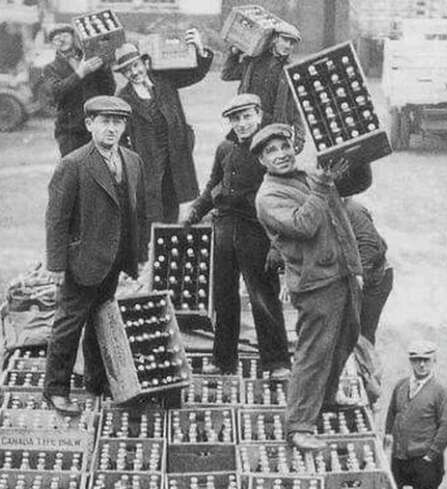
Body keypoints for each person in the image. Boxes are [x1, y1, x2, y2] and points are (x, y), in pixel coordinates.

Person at [253, 123, 362, 452]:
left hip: (339, 272)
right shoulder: (268, 196)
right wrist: (322, 185)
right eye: (270, 151)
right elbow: (304, 225)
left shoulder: (306, 175)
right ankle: (299, 425)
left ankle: (325, 400)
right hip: (314, 283)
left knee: (345, 338)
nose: (280, 154)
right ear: (261, 161)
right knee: (313, 353)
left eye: (283, 146)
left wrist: (354, 266)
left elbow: (340, 216)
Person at [43, 96, 147, 415]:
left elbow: (136, 212)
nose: (111, 128)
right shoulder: (73, 164)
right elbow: (56, 218)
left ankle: (96, 380)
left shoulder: (131, 160)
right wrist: (57, 265)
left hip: (115, 259)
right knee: (69, 324)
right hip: (82, 261)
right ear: (89, 125)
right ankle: (55, 389)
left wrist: (137, 255)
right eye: (104, 121)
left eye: (117, 122)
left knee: (101, 319)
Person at [184, 94, 290, 378]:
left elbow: (282, 201)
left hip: (256, 232)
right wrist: (196, 211)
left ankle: (277, 362)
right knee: (223, 299)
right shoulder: (224, 148)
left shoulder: (271, 151)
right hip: (224, 230)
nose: (242, 124)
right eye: (236, 119)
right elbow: (213, 186)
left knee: (263, 297)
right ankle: (223, 360)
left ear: (259, 115)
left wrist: (277, 245)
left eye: (247, 117)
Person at [114, 33, 213, 229]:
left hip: (174, 156)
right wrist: (131, 159)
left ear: (144, 63)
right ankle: (151, 250)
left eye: (135, 66)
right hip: (148, 161)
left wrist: (200, 50)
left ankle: (167, 246)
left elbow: (195, 74)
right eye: (127, 70)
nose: (133, 72)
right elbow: (119, 135)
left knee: (174, 200)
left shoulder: (164, 80)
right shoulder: (123, 98)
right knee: (151, 208)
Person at [385, 341, 447, 489]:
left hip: (425, 463)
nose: (421, 365)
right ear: (411, 362)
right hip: (400, 459)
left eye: (426, 360)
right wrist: (389, 445)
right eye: (417, 360)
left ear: (434, 362)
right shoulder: (401, 386)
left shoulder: (442, 392)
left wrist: (431, 454)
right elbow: (392, 415)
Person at [221, 24, 305, 152]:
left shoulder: (292, 70)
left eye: (292, 43)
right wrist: (234, 54)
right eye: (285, 40)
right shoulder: (253, 61)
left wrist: (300, 136)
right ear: (275, 38)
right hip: (247, 123)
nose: (288, 46)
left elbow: (296, 106)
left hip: (274, 127)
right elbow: (227, 75)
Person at [43, 24, 115, 156]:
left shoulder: (89, 59)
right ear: (53, 44)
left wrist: (105, 66)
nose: (61, 40)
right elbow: (56, 92)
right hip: (70, 131)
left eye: (65, 36)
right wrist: (80, 73)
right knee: (74, 171)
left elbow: (109, 90)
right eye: (56, 38)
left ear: (73, 37)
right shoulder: (50, 69)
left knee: (99, 169)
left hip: (95, 126)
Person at [343, 198, 392, 346]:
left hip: (375, 280)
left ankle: (367, 368)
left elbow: (369, 245)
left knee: (363, 335)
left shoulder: (352, 210)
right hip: (347, 279)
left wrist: (358, 275)